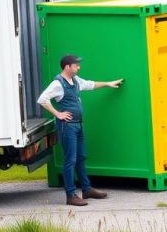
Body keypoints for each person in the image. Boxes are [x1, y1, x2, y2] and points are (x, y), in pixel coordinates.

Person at [37, 54, 123, 206]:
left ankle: (86, 189)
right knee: (70, 160)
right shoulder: (58, 83)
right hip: (67, 127)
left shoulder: (75, 80)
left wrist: (108, 84)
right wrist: (58, 114)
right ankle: (70, 195)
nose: (79, 67)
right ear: (67, 67)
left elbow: (90, 84)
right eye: (76, 65)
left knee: (81, 157)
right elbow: (42, 99)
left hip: (78, 125)